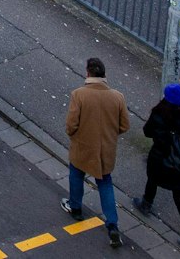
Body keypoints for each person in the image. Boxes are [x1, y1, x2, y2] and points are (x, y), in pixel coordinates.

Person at [64, 57, 129, 248]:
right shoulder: (117, 97)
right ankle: (112, 225)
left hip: (83, 146)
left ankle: (75, 207)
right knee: (105, 183)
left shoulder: (79, 95)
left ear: (88, 73)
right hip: (105, 150)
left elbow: (71, 125)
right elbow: (124, 125)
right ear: (104, 75)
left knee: (76, 174)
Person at [135, 83, 180, 252]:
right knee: (179, 198)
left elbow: (147, 131)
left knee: (153, 179)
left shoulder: (159, 113)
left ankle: (146, 204)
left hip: (161, 157)